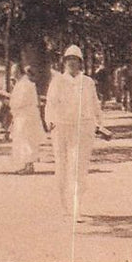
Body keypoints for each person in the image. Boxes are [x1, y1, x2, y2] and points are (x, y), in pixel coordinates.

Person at [46, 45, 103, 221]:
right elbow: (50, 104)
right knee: (62, 166)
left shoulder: (87, 82)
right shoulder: (57, 81)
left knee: (78, 168)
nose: (71, 63)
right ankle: (64, 206)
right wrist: (50, 122)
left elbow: (94, 104)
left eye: (75, 60)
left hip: (82, 128)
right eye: (68, 59)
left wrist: (100, 123)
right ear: (64, 62)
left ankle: (77, 207)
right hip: (62, 128)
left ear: (80, 63)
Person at [9, 63, 46, 174]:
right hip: (22, 115)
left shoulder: (26, 84)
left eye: (14, 71)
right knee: (22, 140)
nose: (12, 73)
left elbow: (21, 101)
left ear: (19, 71)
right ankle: (26, 164)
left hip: (26, 116)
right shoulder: (20, 84)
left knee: (27, 140)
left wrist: (10, 103)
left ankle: (29, 165)